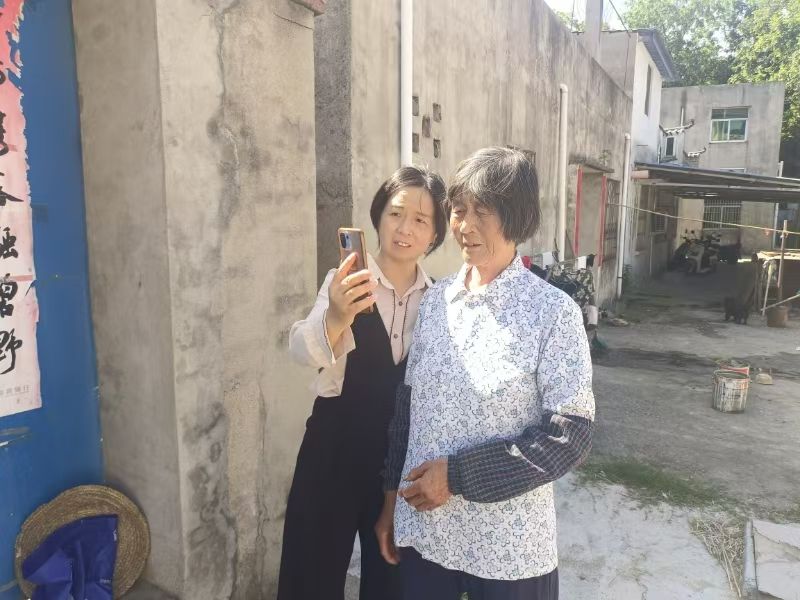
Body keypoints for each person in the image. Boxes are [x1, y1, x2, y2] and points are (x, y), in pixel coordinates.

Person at [376, 147, 595, 600]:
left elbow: (569, 435)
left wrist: (457, 476)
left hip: (507, 548)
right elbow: (406, 415)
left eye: (483, 212)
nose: (465, 226)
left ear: (517, 217)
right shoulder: (435, 303)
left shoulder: (552, 313)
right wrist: (390, 502)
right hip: (426, 533)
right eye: (459, 210)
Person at [278, 165, 448, 600]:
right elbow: (300, 350)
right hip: (331, 455)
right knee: (309, 580)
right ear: (378, 217)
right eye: (396, 213)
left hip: (395, 467)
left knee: (391, 583)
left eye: (420, 219)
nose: (404, 229)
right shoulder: (346, 283)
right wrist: (337, 316)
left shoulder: (439, 303)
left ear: (434, 234)